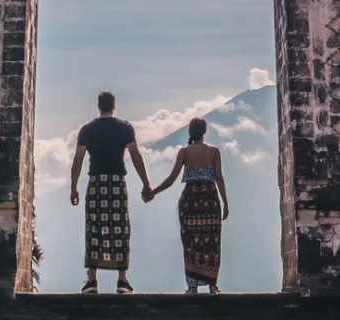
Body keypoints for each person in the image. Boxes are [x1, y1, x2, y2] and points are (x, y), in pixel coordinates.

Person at [70, 91, 152, 295]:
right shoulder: (124, 128)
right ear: (113, 106)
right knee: (120, 228)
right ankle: (122, 281)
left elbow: (78, 160)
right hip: (116, 182)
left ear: (99, 106)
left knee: (94, 228)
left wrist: (73, 187)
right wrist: (146, 183)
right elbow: (135, 156)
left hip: (96, 182)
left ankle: (91, 280)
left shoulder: (87, 129)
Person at [147, 117, 228, 294]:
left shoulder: (184, 152)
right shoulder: (214, 152)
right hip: (210, 199)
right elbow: (219, 177)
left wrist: (153, 192)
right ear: (204, 132)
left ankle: (192, 286)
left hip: (190, 199)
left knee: (190, 241)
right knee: (212, 242)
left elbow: (171, 179)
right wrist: (225, 202)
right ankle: (212, 285)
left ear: (190, 132)